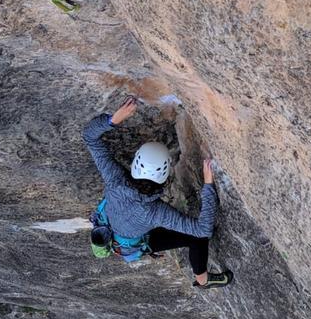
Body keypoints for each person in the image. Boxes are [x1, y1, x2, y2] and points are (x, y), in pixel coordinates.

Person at [83, 96, 232, 288]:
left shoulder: (115, 181)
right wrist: (209, 186)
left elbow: (90, 137)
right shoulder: (156, 212)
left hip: (121, 234)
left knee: (172, 231)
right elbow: (203, 230)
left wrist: (113, 120)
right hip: (137, 240)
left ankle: (156, 250)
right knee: (197, 238)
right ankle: (203, 279)